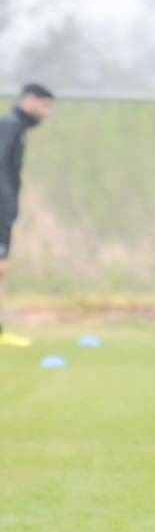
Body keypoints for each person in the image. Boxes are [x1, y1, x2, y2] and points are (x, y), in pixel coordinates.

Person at [0, 83, 54, 348]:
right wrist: (6, 209)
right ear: (29, 100)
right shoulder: (10, 126)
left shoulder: (16, 128)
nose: (46, 113)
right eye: (44, 106)